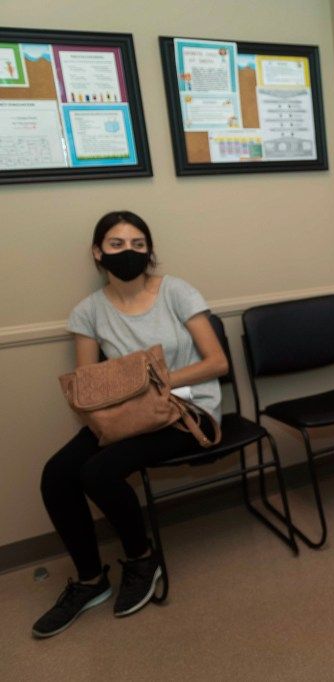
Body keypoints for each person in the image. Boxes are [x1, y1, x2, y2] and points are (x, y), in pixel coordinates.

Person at [32, 211, 228, 638]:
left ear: (149, 251)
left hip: (187, 411)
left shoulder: (176, 291)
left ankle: (142, 559)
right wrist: (129, 399)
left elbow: (218, 362)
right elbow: (87, 386)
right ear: (98, 252)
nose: (129, 253)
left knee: (99, 473)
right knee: (57, 475)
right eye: (117, 245)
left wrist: (155, 382)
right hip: (126, 414)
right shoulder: (88, 311)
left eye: (139, 244)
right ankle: (90, 580)